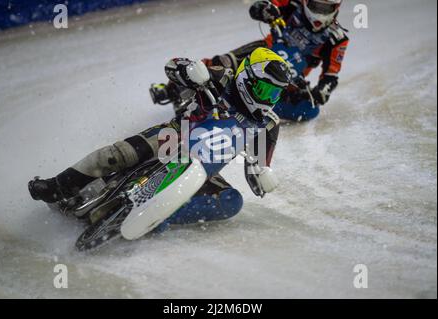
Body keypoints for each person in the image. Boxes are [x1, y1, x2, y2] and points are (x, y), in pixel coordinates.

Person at [29, 48, 293, 230]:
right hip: (173, 138)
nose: (267, 98)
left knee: (231, 202)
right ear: (247, 76)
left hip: (205, 171)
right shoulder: (221, 78)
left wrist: (261, 176)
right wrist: (190, 70)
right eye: (263, 88)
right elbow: (173, 67)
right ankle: (57, 186)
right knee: (119, 154)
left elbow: (256, 173)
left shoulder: (267, 123)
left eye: (274, 93)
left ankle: (160, 218)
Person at [203, 0, 349, 122]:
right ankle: (192, 80)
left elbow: (331, 75)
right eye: (316, 6)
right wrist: (266, 9)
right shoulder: (292, 4)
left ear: (336, 7)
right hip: (262, 52)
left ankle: (256, 110)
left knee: (310, 109)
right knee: (222, 64)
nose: (320, 13)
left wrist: (322, 91)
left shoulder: (337, 38)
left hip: (287, 78)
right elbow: (258, 8)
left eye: (325, 8)